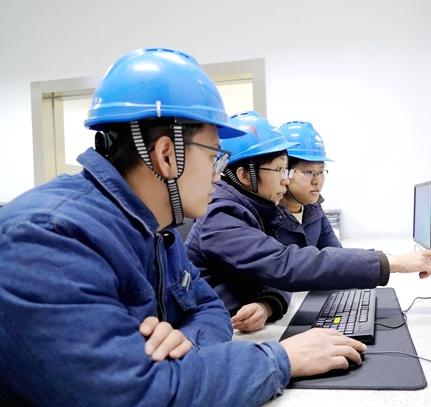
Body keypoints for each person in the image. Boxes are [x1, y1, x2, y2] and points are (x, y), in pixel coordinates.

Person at [0, 48, 366, 406]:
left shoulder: (159, 230)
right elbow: (130, 394)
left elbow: (210, 308)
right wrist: (281, 359)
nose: (217, 174)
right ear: (166, 155)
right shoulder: (46, 237)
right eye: (213, 156)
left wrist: (186, 341)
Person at [186, 111, 431, 333]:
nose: (285, 180)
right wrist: (392, 263)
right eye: (280, 170)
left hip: (242, 326)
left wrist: (269, 303)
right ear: (244, 175)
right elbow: (285, 264)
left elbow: (277, 269)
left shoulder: (260, 208)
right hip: (217, 332)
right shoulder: (221, 214)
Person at [277, 120, 340, 248]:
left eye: (321, 171)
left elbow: (336, 252)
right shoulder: (268, 217)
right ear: (284, 171)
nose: (317, 181)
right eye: (309, 172)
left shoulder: (314, 209)